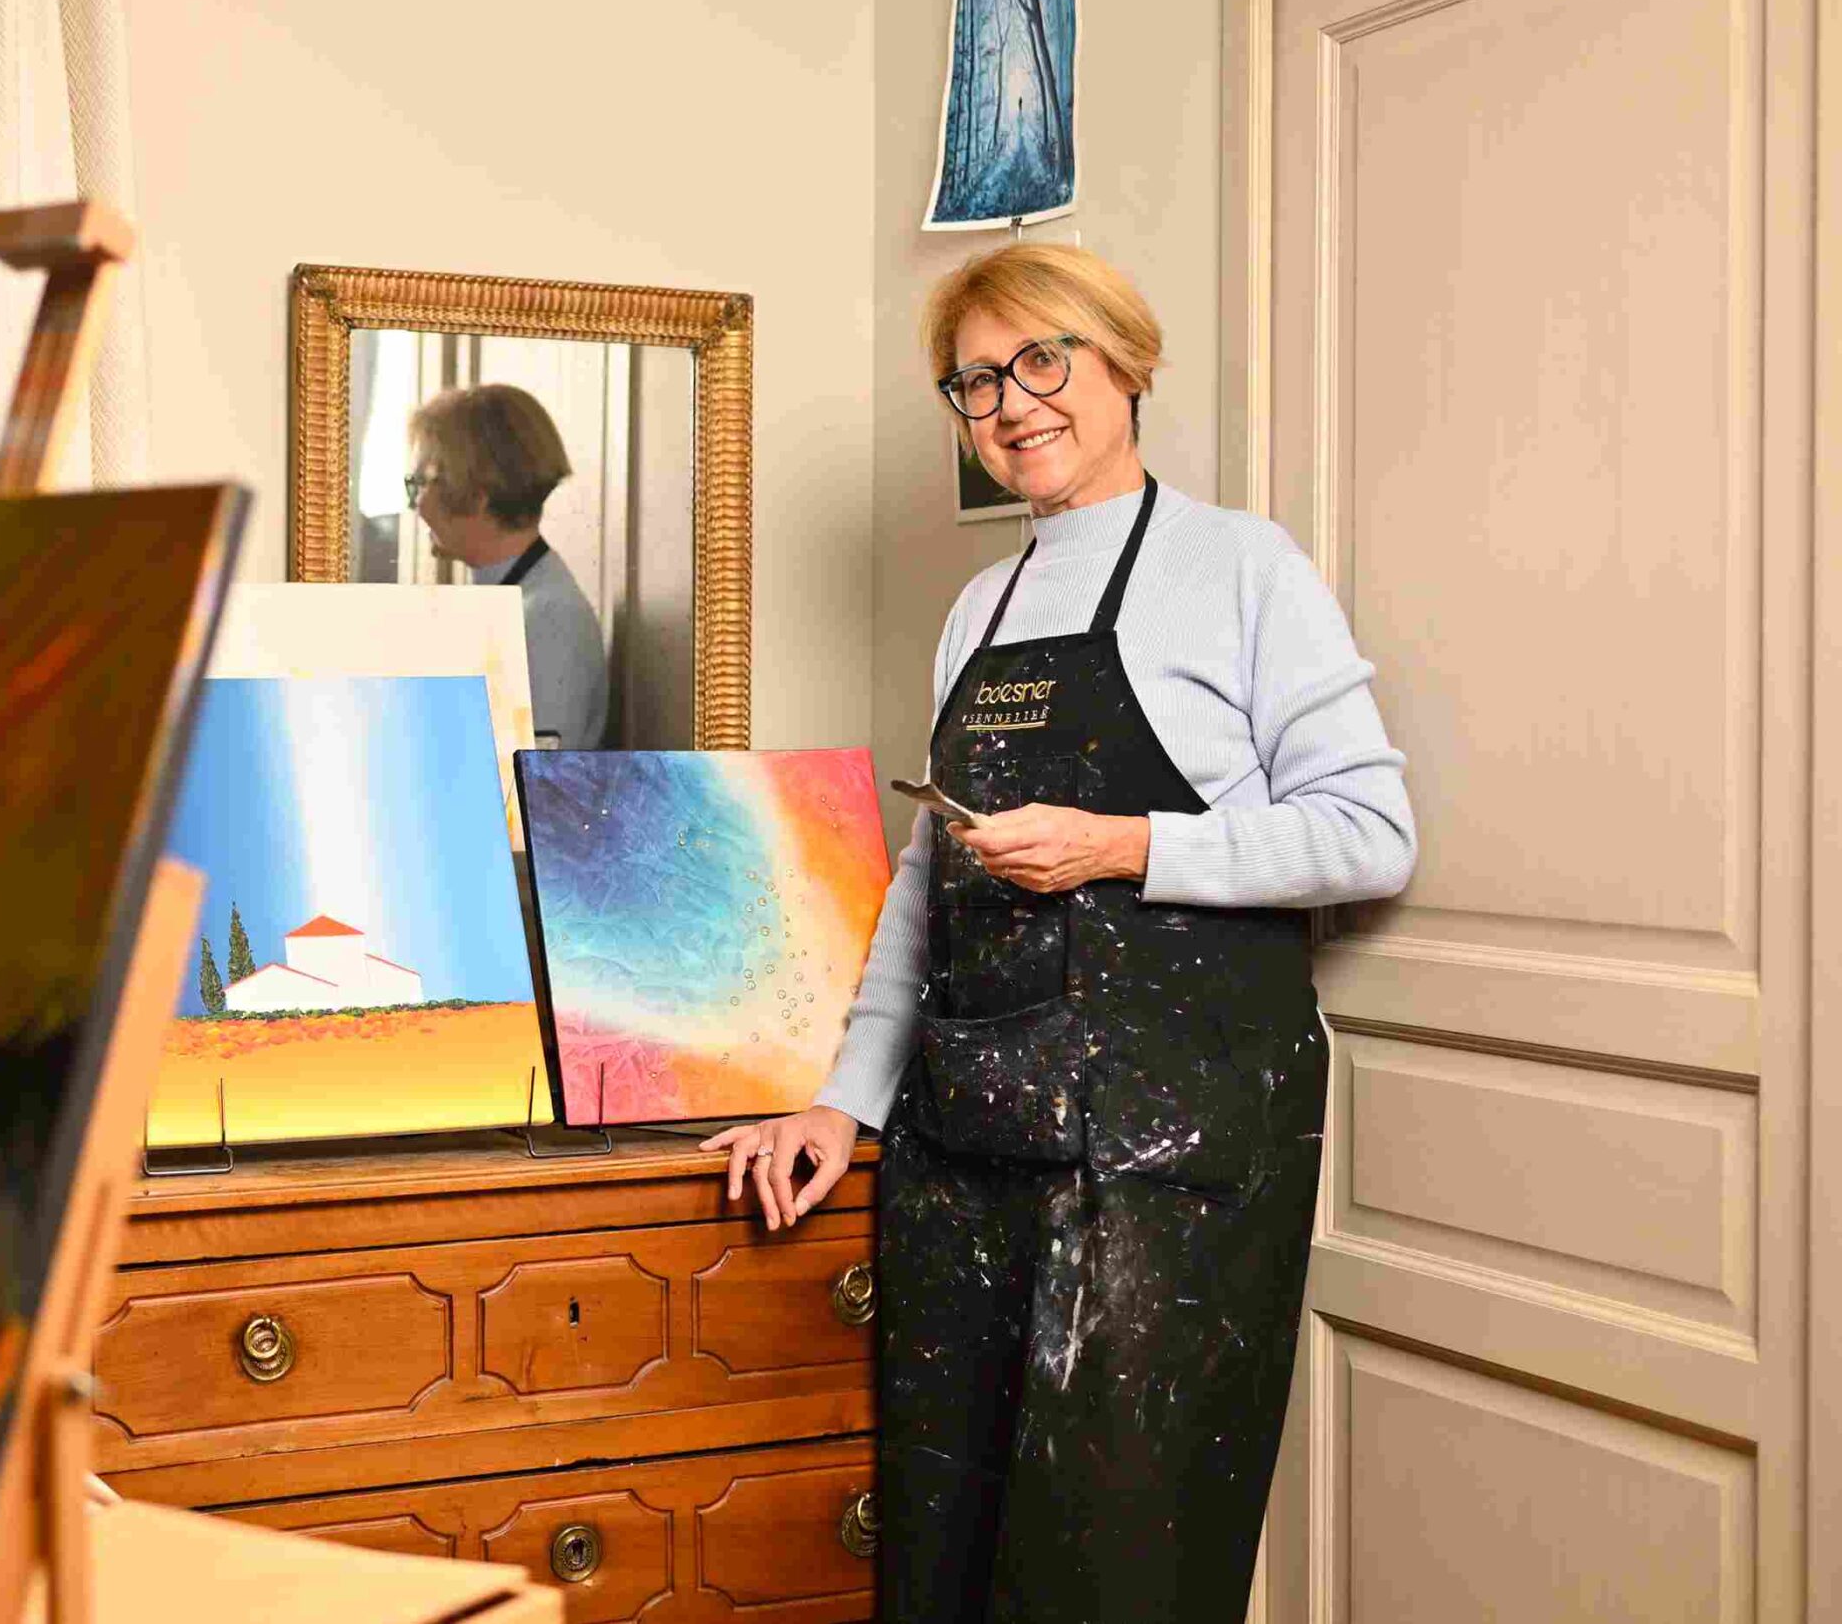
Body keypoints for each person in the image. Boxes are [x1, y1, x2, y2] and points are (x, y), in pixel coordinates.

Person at [702, 243, 1415, 1623]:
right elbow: (928, 888)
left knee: (1112, 1572)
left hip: (1162, 1173)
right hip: (967, 1160)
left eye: (1043, 360)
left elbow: (1369, 832)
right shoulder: (982, 605)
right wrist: (842, 1105)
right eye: (976, 381)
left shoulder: (1239, 567)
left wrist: (1122, 845)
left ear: (1124, 363)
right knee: (947, 1555)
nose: (1012, 404)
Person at [405, 384, 608, 749]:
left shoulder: (549, 619)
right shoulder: (516, 601)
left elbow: (532, 777)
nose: (416, 504)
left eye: (421, 483)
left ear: (476, 496)